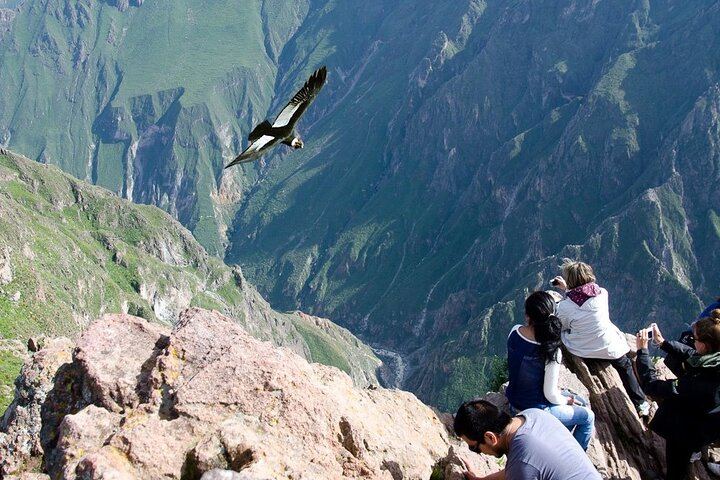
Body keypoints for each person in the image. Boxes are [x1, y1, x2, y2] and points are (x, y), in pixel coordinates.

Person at [550, 259, 650, 417]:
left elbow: (563, 323)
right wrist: (568, 289)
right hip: (609, 346)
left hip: (583, 349)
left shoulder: (565, 307)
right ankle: (640, 403)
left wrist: (565, 293)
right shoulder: (602, 294)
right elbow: (583, 295)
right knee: (625, 366)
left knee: (558, 331)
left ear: (570, 282)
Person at [635, 313, 720, 480]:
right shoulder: (714, 360)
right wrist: (663, 343)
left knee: (676, 464)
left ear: (704, 345)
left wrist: (642, 351)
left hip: (689, 430)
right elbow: (693, 356)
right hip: (708, 421)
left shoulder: (697, 383)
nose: (692, 342)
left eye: (695, 339)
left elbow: (652, 386)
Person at [505, 291, 595, 449]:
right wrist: (566, 401)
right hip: (536, 412)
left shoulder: (515, 331)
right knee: (587, 415)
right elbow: (550, 394)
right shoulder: (550, 351)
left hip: (514, 403)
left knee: (574, 398)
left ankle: (558, 437)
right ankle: (575, 456)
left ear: (527, 316)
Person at [453, 399, 601, 480]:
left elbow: (524, 468)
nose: (477, 452)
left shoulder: (523, 463)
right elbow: (522, 469)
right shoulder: (532, 414)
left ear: (490, 437)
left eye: (474, 447)